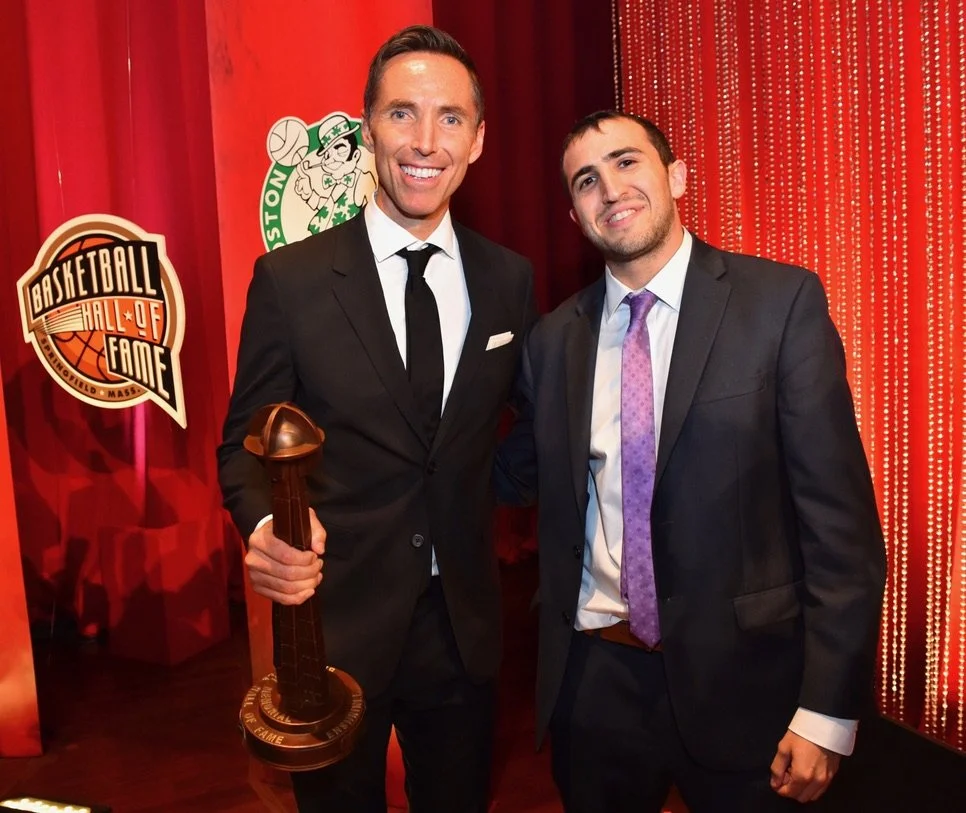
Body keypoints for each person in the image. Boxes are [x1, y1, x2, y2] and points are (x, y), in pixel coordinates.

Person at [496, 111, 886, 812]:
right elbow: (507, 471)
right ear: (574, 211)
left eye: (626, 162)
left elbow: (842, 530)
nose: (609, 188)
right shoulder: (553, 340)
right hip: (596, 685)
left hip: (749, 688)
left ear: (676, 176)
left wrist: (826, 710)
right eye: (586, 180)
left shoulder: (780, 304)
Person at [218, 25, 535, 813]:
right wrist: (263, 528)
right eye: (402, 113)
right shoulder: (290, 281)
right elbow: (241, 443)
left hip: (462, 627)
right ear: (368, 129)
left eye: (450, 118)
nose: (426, 140)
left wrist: (479, 488)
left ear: (479, 138)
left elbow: (532, 425)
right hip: (335, 630)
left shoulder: (509, 279)